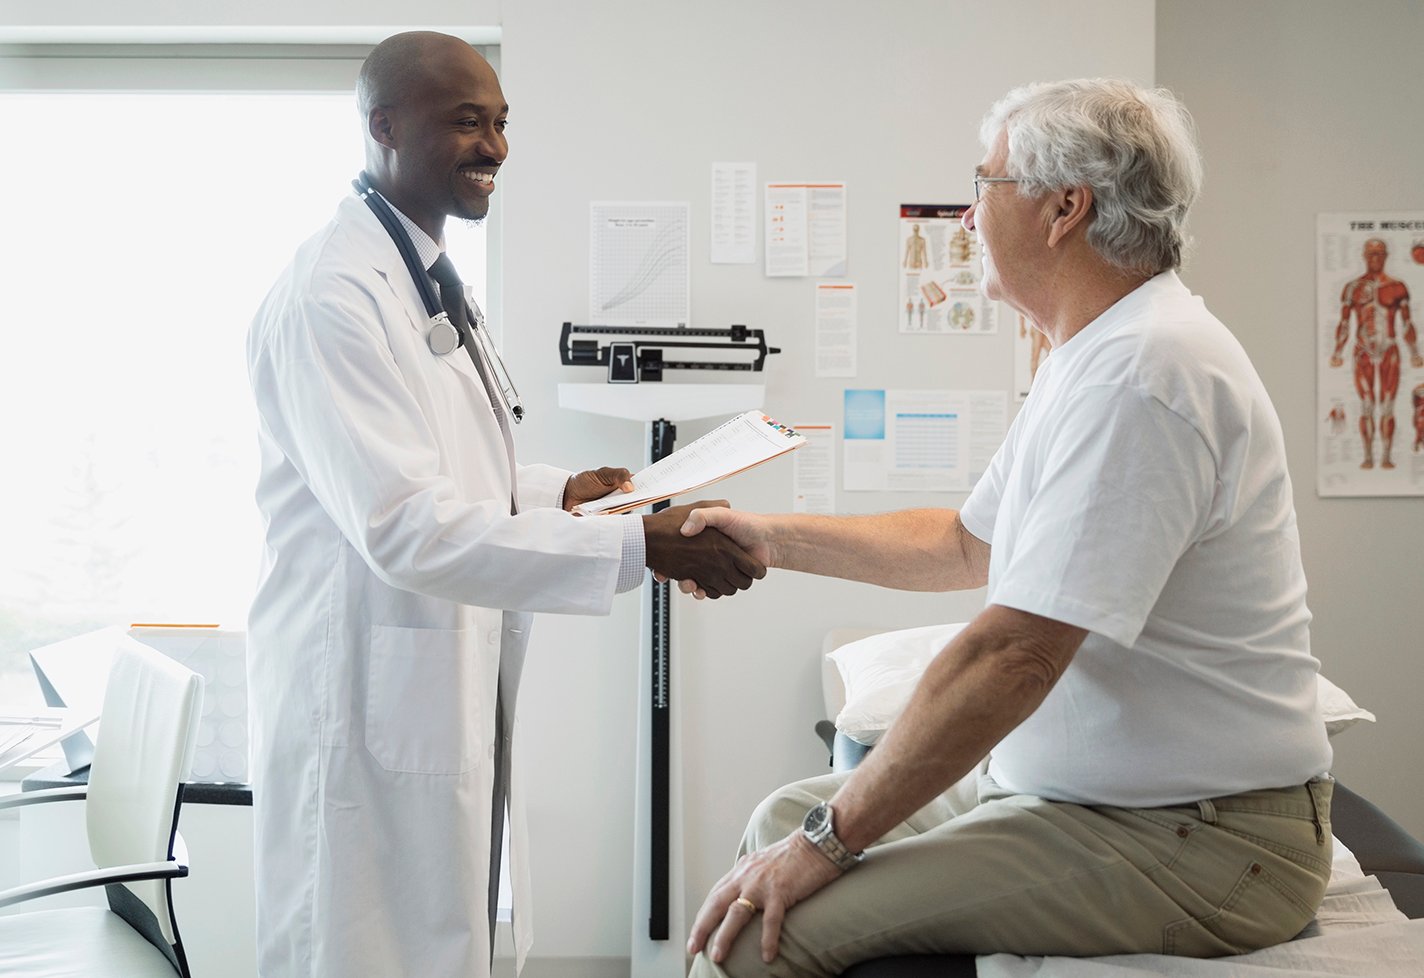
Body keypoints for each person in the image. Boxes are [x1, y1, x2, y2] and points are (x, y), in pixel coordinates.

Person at [679, 79, 1334, 976]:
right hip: (1085, 800)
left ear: (1066, 208)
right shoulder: (1093, 352)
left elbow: (1015, 654)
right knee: (776, 824)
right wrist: (774, 538)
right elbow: (966, 544)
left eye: (983, 185)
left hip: (1199, 837)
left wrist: (829, 845)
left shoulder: (1145, 374)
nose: (964, 216)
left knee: (761, 937)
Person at [245, 31, 763, 978]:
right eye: (467, 122)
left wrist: (563, 492)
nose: (496, 148)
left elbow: (447, 470)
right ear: (384, 127)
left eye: (501, 123)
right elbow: (403, 524)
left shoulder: (423, 277)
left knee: (446, 941)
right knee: (364, 949)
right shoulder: (332, 295)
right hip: (358, 703)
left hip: (430, 684)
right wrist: (639, 550)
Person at [1327, 237, 1422, 469]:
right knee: (1367, 404)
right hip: (1363, 352)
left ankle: (1387, 457)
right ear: (1364, 256)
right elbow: (1345, 322)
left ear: (1386, 256)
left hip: (1389, 348)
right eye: (1371, 254)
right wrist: (1338, 351)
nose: (1375, 258)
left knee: (1388, 404)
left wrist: (1414, 352)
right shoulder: (1353, 288)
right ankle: (1368, 457)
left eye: (1379, 253)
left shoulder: (1397, 287)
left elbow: (1407, 324)